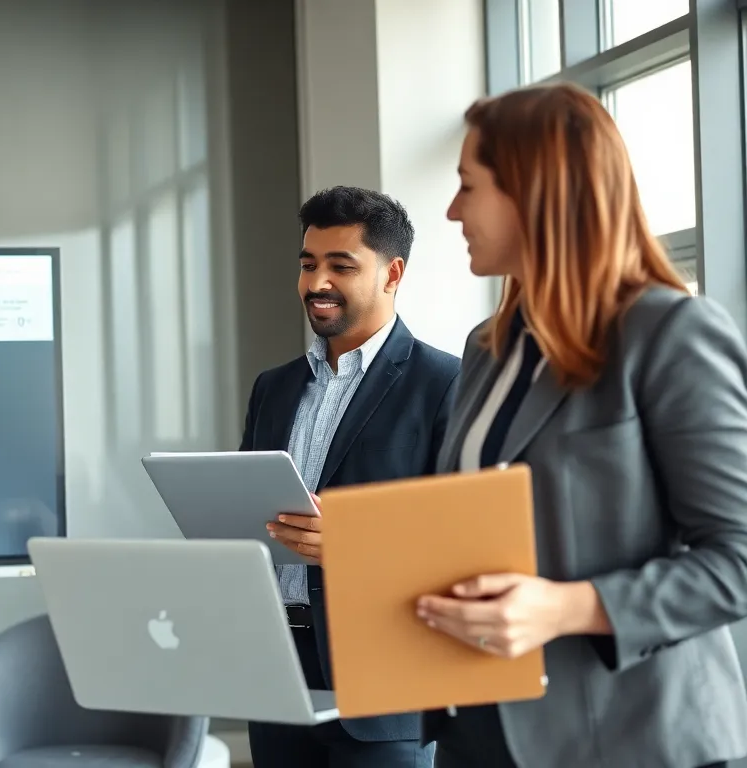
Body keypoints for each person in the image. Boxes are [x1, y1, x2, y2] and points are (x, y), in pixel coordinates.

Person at [417, 81, 747, 768]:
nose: (451, 211)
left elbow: (737, 558)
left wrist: (568, 608)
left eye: (468, 187)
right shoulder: (488, 348)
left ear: (534, 194)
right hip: (479, 729)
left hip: (631, 738)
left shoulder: (669, 334)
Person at [240, 186, 460, 768]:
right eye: (308, 264)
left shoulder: (446, 384)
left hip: (386, 682)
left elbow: (466, 542)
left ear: (392, 274)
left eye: (341, 266)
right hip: (280, 668)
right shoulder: (273, 387)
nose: (317, 283)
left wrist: (357, 542)